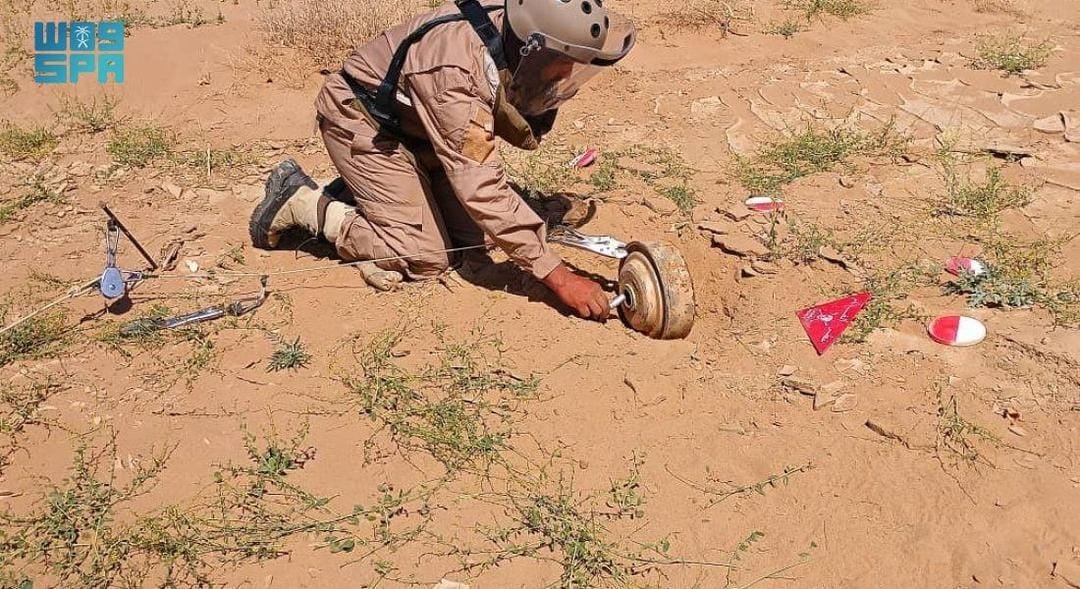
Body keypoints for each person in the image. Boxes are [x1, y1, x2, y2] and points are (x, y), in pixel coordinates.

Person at [248, 0, 635, 321]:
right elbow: (481, 188)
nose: (565, 76)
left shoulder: (511, 27)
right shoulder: (455, 72)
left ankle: (378, 196)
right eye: (560, 63)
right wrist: (559, 276)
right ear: (530, 47)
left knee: (479, 240)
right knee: (425, 257)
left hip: (422, 134)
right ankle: (305, 202)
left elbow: (475, 161)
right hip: (362, 123)